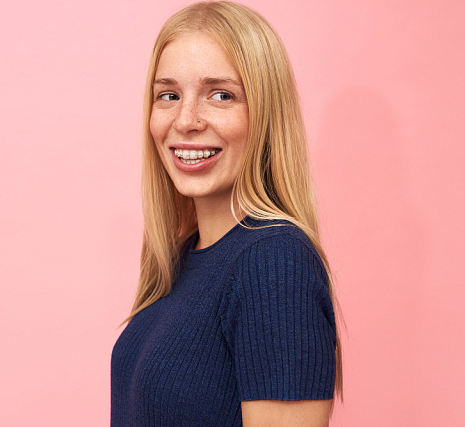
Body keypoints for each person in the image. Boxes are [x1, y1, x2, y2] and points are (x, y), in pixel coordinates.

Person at [111, 2, 343, 425]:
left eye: (221, 95)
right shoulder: (181, 257)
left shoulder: (275, 264)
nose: (186, 120)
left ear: (266, 115)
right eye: (169, 95)